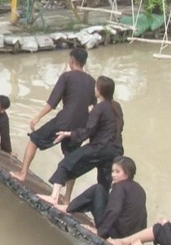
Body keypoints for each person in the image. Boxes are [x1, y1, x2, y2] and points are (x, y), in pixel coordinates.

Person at [9, 47, 96, 203]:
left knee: (34, 140)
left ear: (72, 60)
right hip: (81, 125)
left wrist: (37, 117)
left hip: (64, 120)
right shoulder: (91, 81)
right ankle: (67, 197)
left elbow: (52, 102)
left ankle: (23, 173)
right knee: (72, 158)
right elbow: (93, 107)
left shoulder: (66, 77)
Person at [37, 75, 124, 205]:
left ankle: (54, 196)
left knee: (66, 164)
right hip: (116, 151)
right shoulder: (117, 106)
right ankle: (102, 217)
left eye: (96, 87)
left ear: (99, 90)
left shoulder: (99, 108)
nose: (94, 88)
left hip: (99, 147)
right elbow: (116, 127)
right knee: (103, 186)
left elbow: (88, 130)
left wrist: (69, 134)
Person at [54, 156, 146, 240]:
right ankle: (72, 208)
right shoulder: (139, 189)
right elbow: (143, 215)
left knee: (97, 189)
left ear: (128, 173)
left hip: (115, 232)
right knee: (102, 193)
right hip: (128, 235)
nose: (113, 175)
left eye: (118, 172)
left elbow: (114, 210)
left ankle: (68, 208)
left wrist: (100, 232)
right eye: (112, 171)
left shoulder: (119, 187)